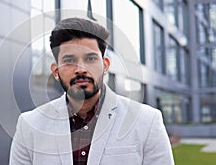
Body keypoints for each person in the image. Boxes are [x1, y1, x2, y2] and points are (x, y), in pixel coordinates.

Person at [9, 17, 174, 165]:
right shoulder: (29, 125)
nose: (80, 69)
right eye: (69, 60)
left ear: (106, 66)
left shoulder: (146, 121)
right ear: (56, 71)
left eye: (90, 59)